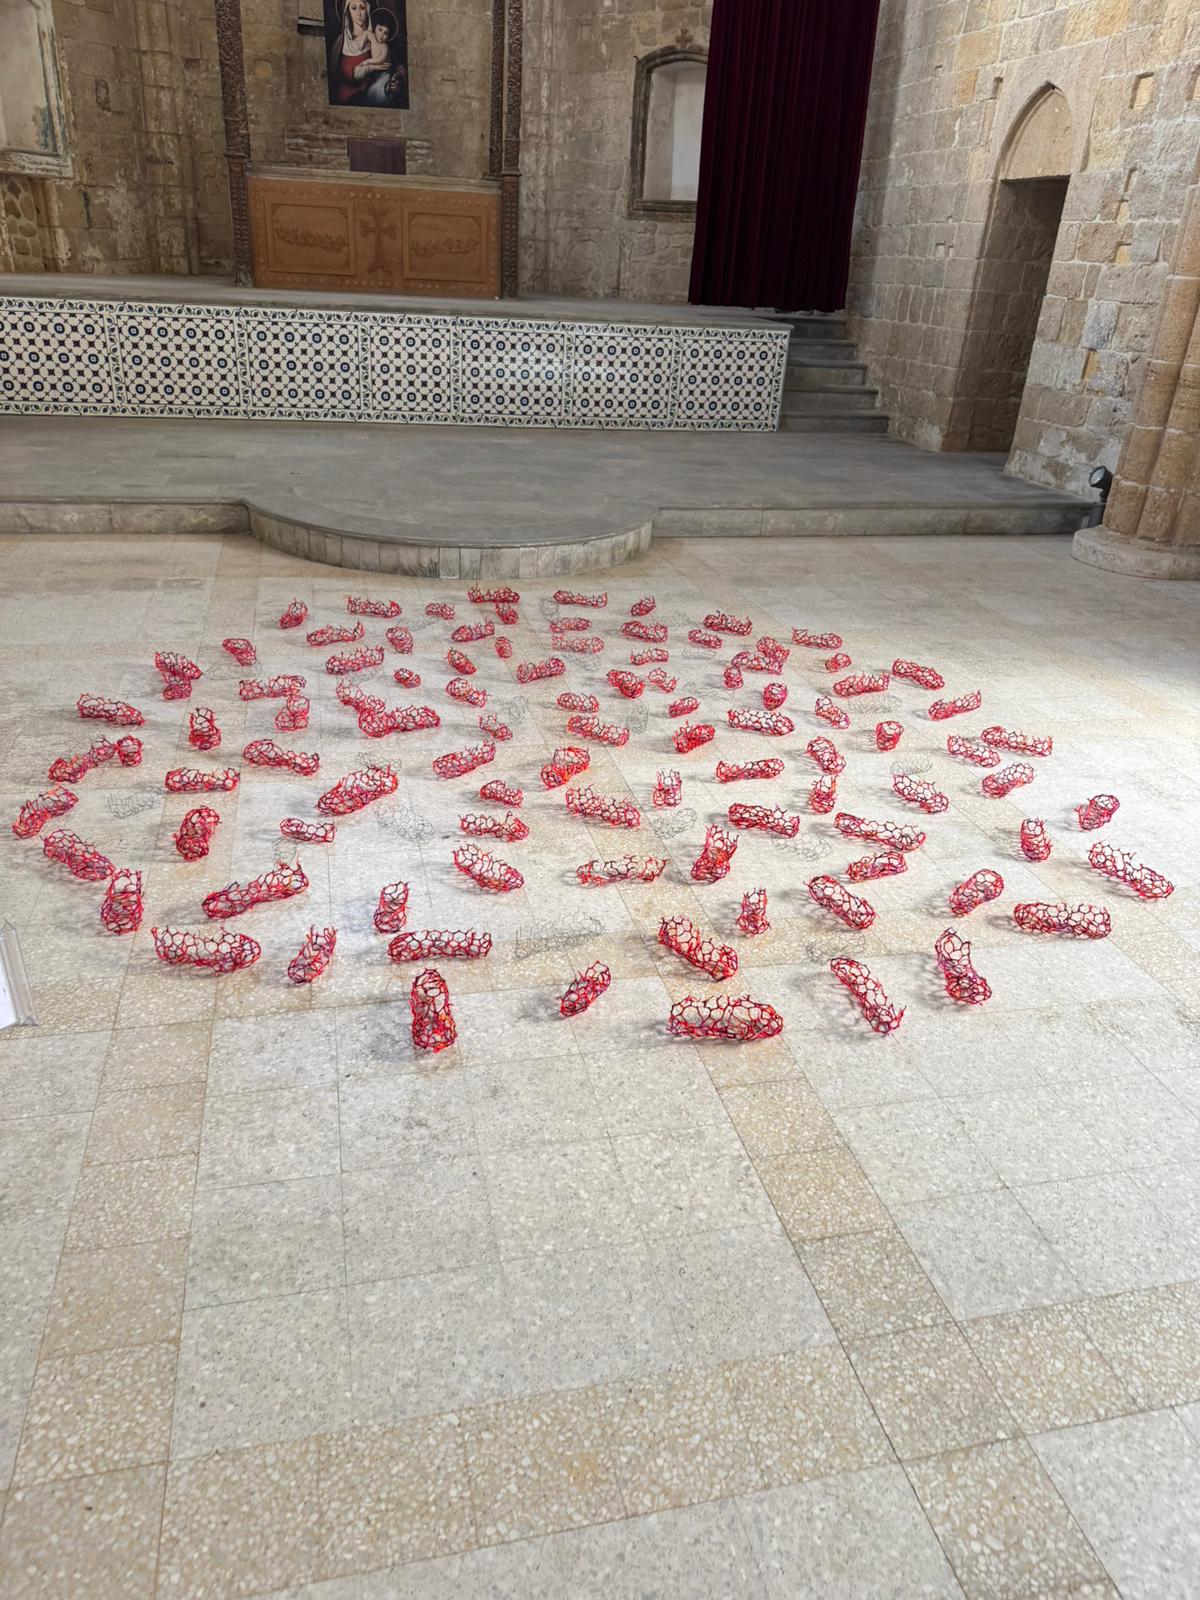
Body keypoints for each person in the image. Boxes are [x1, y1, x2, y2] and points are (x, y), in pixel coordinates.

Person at [328, 0, 404, 106]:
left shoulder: (378, 39)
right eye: (354, 8)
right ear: (347, 12)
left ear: (367, 10)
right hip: (350, 98)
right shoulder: (340, 44)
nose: (359, 13)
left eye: (362, 8)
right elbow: (338, 76)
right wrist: (369, 68)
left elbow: (396, 68)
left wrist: (396, 85)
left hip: (377, 94)